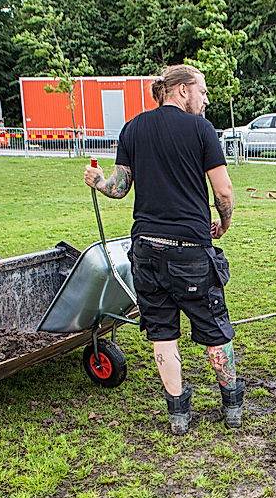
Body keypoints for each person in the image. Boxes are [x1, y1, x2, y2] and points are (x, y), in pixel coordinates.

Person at [84, 64, 241, 436]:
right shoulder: (202, 130)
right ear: (182, 90)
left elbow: (120, 188)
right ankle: (231, 406)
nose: (206, 100)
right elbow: (224, 192)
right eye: (202, 92)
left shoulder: (133, 129)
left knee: (162, 334)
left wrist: (99, 181)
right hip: (190, 251)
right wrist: (225, 223)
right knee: (215, 330)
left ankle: (178, 416)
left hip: (146, 253)